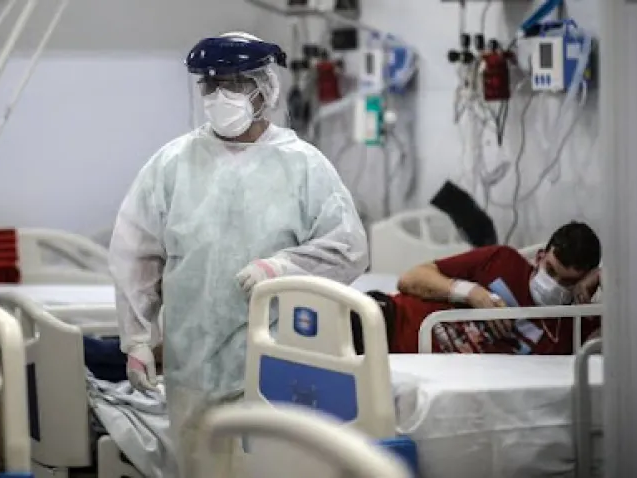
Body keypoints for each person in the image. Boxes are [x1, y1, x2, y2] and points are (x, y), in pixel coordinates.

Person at [108, 32, 368, 476]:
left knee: (271, 466)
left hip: (281, 359)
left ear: (265, 88)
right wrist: (137, 339)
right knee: (200, 465)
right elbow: (136, 254)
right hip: (194, 365)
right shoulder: (172, 164)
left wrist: (282, 267)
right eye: (210, 85)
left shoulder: (303, 165)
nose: (219, 96)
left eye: (233, 83)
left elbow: (349, 246)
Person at [351, 221, 602, 355]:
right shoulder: (503, 261)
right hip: (390, 322)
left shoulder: (573, 326)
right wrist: (471, 293)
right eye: (550, 270)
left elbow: (616, 355)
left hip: (413, 360)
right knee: (342, 323)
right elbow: (410, 279)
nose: (553, 285)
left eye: (567, 282)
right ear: (539, 257)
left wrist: (604, 277)